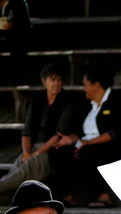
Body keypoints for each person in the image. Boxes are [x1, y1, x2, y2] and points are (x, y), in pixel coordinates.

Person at [54, 63, 121, 208]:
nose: (84, 89)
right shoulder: (86, 105)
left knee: (92, 152)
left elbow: (116, 131)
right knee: (62, 151)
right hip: (87, 143)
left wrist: (89, 143)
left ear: (96, 85)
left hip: (114, 146)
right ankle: (69, 196)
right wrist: (73, 139)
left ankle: (104, 196)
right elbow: (78, 131)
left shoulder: (118, 102)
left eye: (86, 84)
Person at [0, 63, 78, 195]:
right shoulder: (37, 100)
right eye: (53, 79)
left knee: (26, 169)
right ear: (44, 81)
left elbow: (59, 135)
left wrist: (36, 154)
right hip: (34, 147)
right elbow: (27, 132)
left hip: (52, 149)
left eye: (59, 80)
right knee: (18, 165)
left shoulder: (67, 102)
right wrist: (26, 152)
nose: (56, 83)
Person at [0, 0, 33, 85]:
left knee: (18, 68)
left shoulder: (19, 3)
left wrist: (12, 25)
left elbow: (25, 25)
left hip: (18, 43)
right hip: (7, 42)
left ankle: (18, 84)